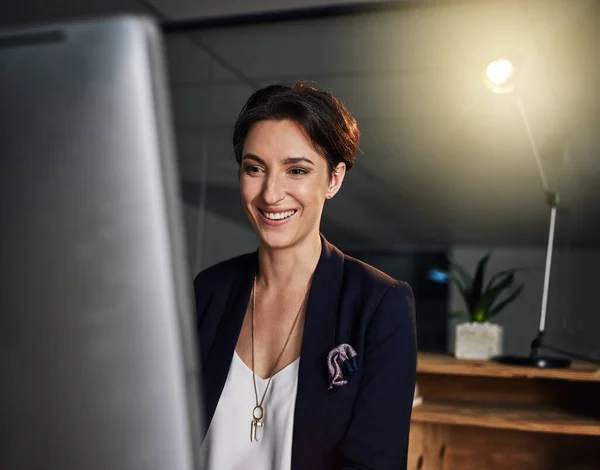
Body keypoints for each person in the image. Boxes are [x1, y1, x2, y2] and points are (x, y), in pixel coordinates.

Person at [194, 82, 417, 470]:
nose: (271, 193)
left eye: (296, 170)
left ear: (334, 179)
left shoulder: (380, 305)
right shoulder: (207, 291)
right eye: (254, 168)